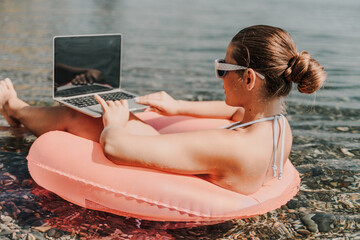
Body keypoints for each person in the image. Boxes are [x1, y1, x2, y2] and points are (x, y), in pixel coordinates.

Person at [0, 25, 326, 195]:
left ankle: (14, 107)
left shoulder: (230, 146)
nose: (220, 77)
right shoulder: (277, 125)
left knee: (81, 115)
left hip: (186, 184)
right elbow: (236, 114)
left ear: (249, 78)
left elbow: (115, 147)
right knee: (117, 114)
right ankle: (19, 113)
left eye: (222, 67)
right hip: (225, 168)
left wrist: (112, 121)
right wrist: (176, 106)